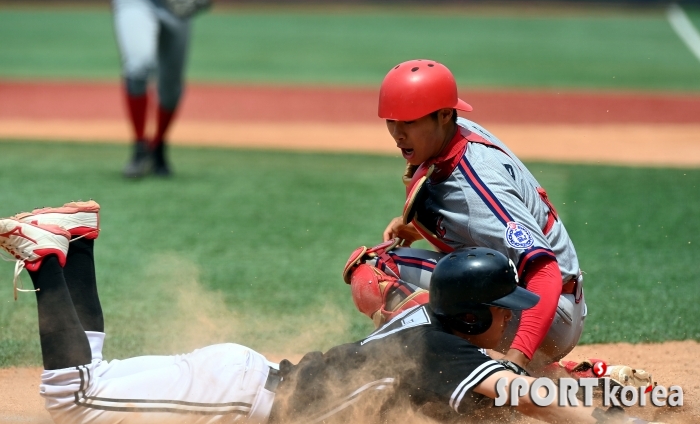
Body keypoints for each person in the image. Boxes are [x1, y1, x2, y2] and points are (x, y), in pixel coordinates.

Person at [0, 201, 636, 424]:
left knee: (93, 377)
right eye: (504, 310)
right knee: (73, 400)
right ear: (472, 318)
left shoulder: (420, 321)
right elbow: (523, 393)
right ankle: (45, 257)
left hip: (241, 381)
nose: (512, 319)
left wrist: (581, 375)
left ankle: (76, 242)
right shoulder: (448, 354)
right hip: (239, 397)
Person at [374, 59, 586, 374]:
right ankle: (560, 375)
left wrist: (516, 363)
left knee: (376, 268)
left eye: (410, 122)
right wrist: (418, 227)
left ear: (444, 115)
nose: (398, 133)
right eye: (393, 120)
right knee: (400, 268)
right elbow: (475, 226)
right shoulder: (455, 136)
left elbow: (544, 272)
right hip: (515, 296)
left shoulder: (480, 183)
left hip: (545, 310)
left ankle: (459, 370)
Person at [112, 0, 209, 178]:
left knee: (171, 87)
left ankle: (158, 146)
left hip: (176, 5)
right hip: (136, 2)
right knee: (138, 64)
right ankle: (140, 147)